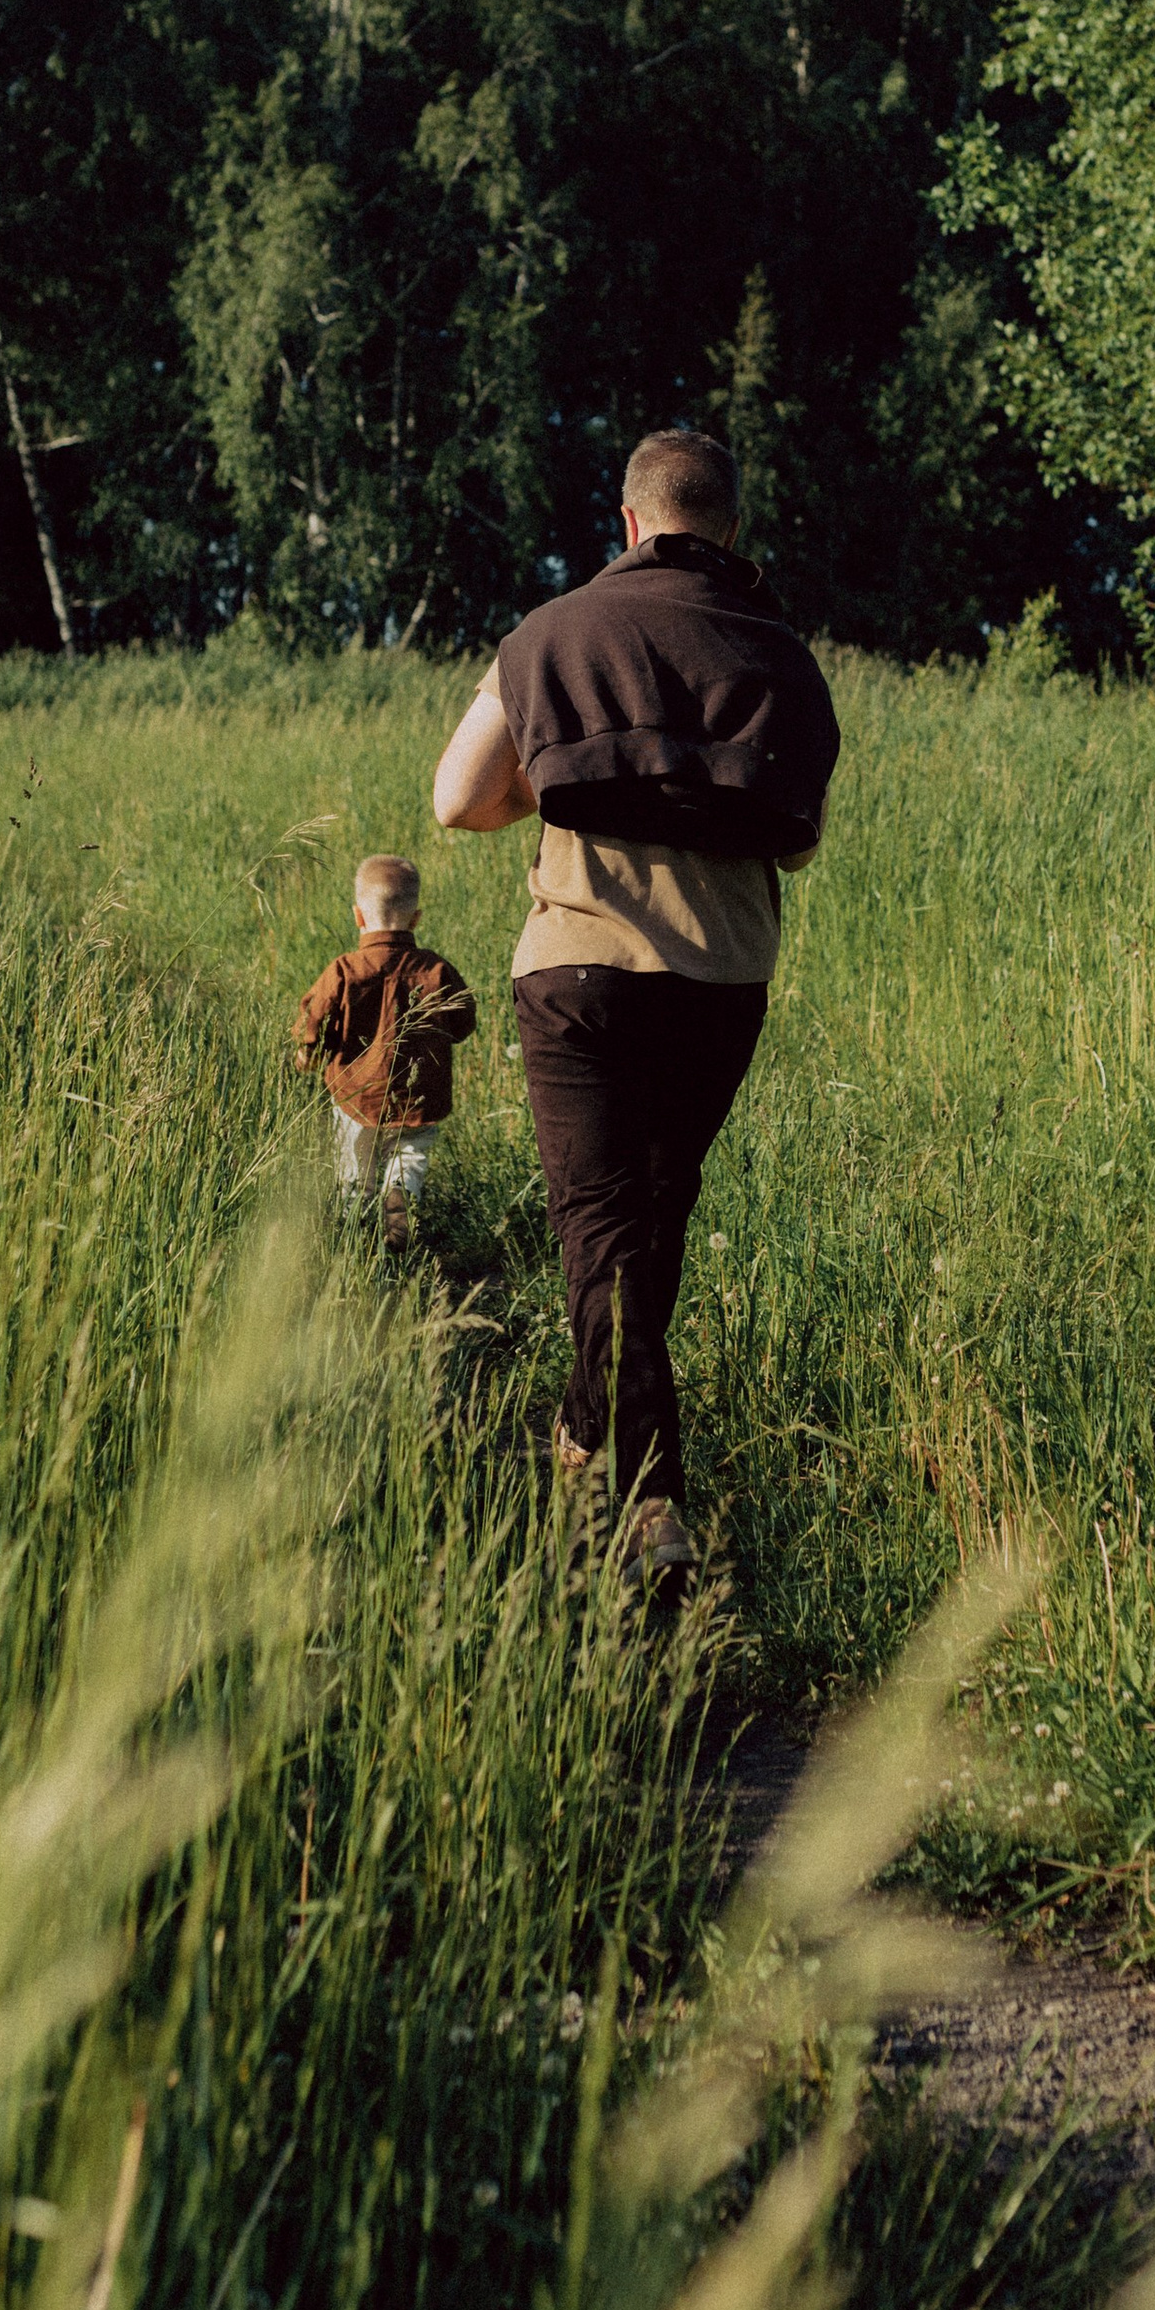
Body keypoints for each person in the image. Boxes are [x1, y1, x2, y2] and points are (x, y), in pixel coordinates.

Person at [431, 430, 839, 1579]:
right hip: (722, 976)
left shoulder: (549, 631)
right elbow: (796, 846)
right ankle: (591, 1450)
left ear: (626, 521)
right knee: (645, 1227)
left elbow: (457, 800)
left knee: (604, 1232)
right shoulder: (782, 657)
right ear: (731, 528)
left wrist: (565, 794)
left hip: (580, 966)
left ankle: (643, 1502)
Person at [292, 854, 476, 1249]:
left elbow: (315, 1019)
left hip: (357, 1096)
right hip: (417, 1099)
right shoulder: (437, 971)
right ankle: (399, 1210)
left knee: (356, 1169)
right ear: (416, 918)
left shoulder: (344, 970)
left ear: (358, 916)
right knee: (407, 1160)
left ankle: (355, 1236)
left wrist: (308, 1053)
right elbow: (462, 1024)